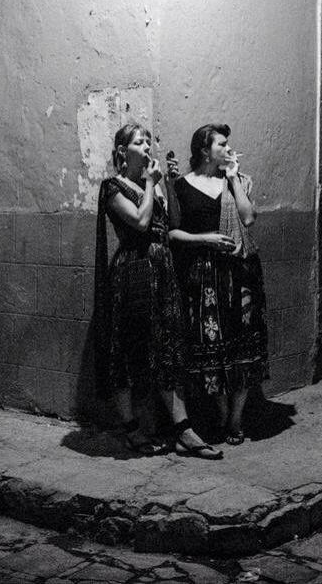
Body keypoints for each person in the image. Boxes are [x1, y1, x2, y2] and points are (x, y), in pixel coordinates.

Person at [94, 123, 223, 460]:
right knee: (129, 352)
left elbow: (172, 225)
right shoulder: (113, 187)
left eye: (149, 140)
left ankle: (183, 431)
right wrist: (151, 185)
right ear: (124, 152)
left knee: (167, 348)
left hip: (162, 271)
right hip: (133, 274)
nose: (148, 146)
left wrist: (166, 183)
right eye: (140, 142)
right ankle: (131, 429)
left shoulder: (155, 185)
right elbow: (138, 222)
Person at [168, 123, 269, 445]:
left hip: (241, 273)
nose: (228, 149)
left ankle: (236, 420)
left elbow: (248, 218)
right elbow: (172, 233)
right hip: (204, 277)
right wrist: (205, 240)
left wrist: (234, 178)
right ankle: (222, 414)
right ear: (204, 150)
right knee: (213, 350)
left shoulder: (238, 181)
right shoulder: (181, 186)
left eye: (228, 144)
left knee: (244, 346)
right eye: (222, 145)